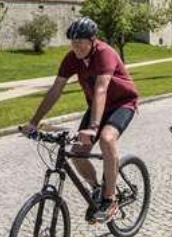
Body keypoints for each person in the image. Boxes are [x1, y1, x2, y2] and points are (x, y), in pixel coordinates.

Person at [21, 17, 139, 223]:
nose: (75, 48)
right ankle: (97, 188)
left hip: (122, 103)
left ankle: (110, 199)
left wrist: (93, 128)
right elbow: (56, 89)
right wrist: (34, 122)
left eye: (80, 43)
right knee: (76, 152)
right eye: (72, 43)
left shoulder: (105, 53)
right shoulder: (72, 58)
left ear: (92, 40)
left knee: (106, 139)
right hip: (96, 106)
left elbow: (101, 89)